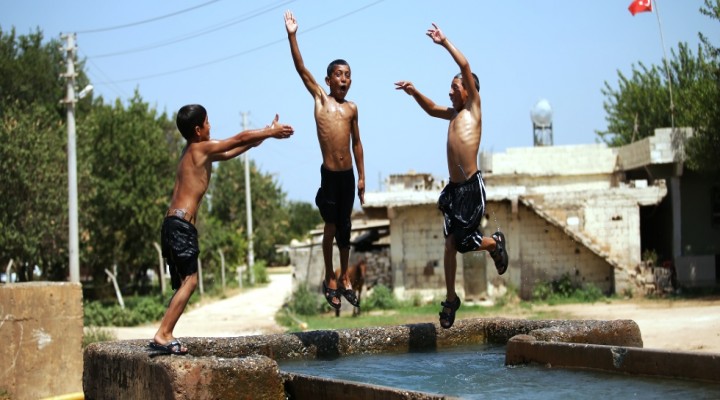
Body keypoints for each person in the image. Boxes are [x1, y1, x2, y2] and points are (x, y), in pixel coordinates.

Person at [150, 104, 294, 355]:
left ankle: (164, 332)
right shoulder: (200, 148)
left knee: (186, 281)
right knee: (191, 281)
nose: (210, 126)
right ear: (197, 130)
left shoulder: (192, 151)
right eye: (207, 122)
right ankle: (163, 333)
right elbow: (238, 138)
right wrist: (269, 132)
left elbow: (231, 151)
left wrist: (263, 137)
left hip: (173, 224)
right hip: (181, 226)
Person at [395, 23, 508, 329]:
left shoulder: (473, 108)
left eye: (454, 87)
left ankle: (494, 244)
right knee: (449, 245)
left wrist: (444, 42)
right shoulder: (453, 113)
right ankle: (450, 298)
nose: (449, 90)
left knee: (462, 243)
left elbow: (465, 65)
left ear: (468, 90)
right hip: (453, 192)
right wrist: (414, 91)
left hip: (471, 189)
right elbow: (431, 108)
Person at [284, 10, 366, 311]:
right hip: (330, 176)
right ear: (328, 79)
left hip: (347, 177)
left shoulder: (352, 108)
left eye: (348, 76)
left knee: (346, 229)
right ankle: (330, 278)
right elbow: (300, 68)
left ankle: (345, 277)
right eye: (339, 75)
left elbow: (357, 144)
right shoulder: (321, 99)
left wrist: (362, 177)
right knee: (330, 228)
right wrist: (293, 35)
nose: (344, 80)